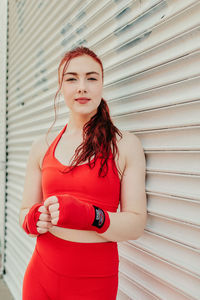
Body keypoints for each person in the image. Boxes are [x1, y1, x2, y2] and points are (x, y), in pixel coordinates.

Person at [19, 46, 147, 300]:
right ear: (61, 87)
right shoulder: (41, 146)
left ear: (101, 84)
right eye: (71, 79)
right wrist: (35, 218)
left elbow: (136, 224)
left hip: (94, 285)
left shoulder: (124, 145)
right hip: (40, 279)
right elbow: (25, 212)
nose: (81, 87)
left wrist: (90, 216)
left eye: (91, 77)